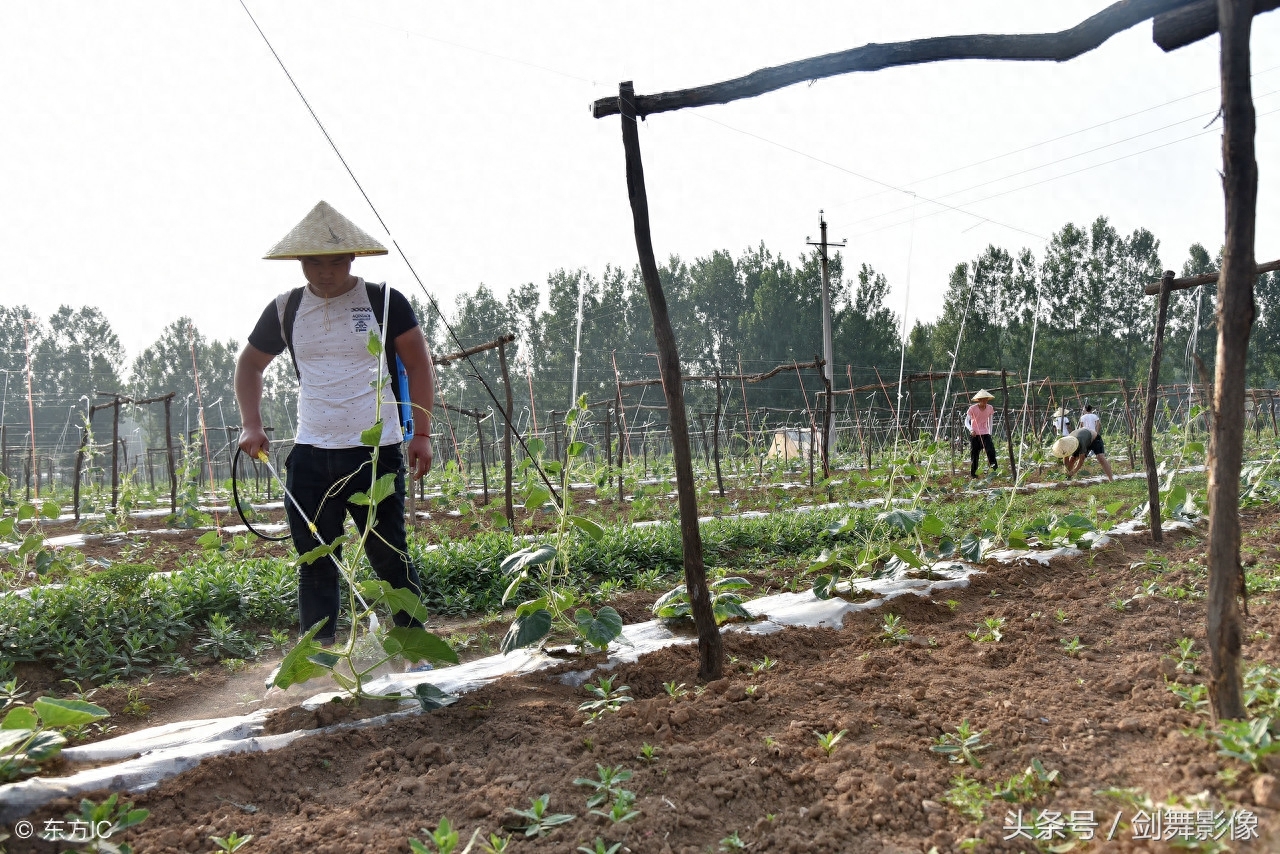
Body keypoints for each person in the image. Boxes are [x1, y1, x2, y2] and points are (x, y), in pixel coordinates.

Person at [235, 201, 436, 655]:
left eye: (334, 261)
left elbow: (418, 363)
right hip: (310, 454)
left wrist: (420, 433)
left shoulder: (384, 301)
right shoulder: (286, 309)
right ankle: (320, 658)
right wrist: (252, 423)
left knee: (388, 555)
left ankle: (415, 649)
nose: (324, 272)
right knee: (317, 561)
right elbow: (250, 364)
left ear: (351, 260)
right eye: (314, 262)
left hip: (375, 451)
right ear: (300, 263)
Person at [965, 389, 998, 479]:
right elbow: (966, 421)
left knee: (991, 451)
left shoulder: (990, 408)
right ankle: (973, 474)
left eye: (986, 399)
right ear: (979, 400)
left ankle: (995, 471)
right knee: (974, 454)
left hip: (985, 433)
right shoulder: (972, 409)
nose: (984, 401)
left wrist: (990, 433)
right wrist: (971, 429)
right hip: (975, 434)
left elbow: (990, 421)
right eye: (982, 399)